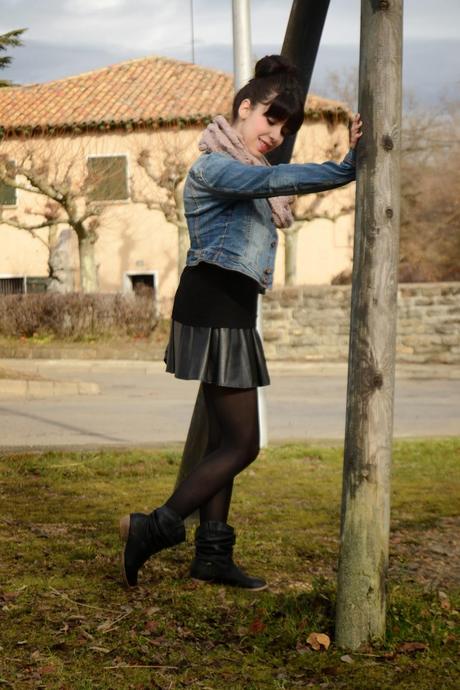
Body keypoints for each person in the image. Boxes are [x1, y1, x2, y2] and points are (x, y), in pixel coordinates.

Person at [120, 55, 363, 590]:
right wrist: (345, 168)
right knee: (243, 444)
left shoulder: (250, 176)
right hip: (214, 307)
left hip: (225, 307)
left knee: (223, 442)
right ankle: (153, 527)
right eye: (269, 119)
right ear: (243, 109)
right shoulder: (215, 167)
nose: (275, 134)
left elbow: (270, 183)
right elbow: (277, 180)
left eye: (285, 127)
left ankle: (211, 556)